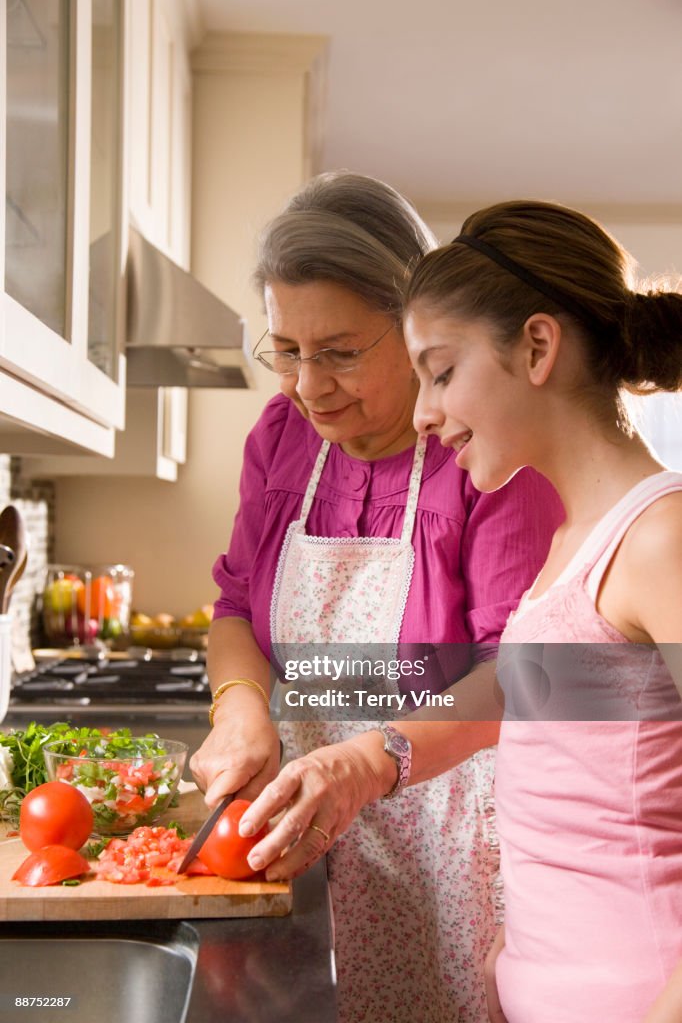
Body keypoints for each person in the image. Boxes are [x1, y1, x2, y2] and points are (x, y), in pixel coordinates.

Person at [190, 173, 563, 1023]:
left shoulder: (488, 453)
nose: (308, 386)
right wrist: (241, 709)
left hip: (455, 843)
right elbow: (236, 607)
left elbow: (522, 673)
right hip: (311, 824)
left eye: (342, 351)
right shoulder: (281, 439)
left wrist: (368, 761)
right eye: (287, 349)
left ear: (419, 330)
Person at [395, 199, 682, 1022]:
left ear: (537, 346)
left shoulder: (661, 537)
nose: (423, 414)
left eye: (441, 372)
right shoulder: (571, 544)